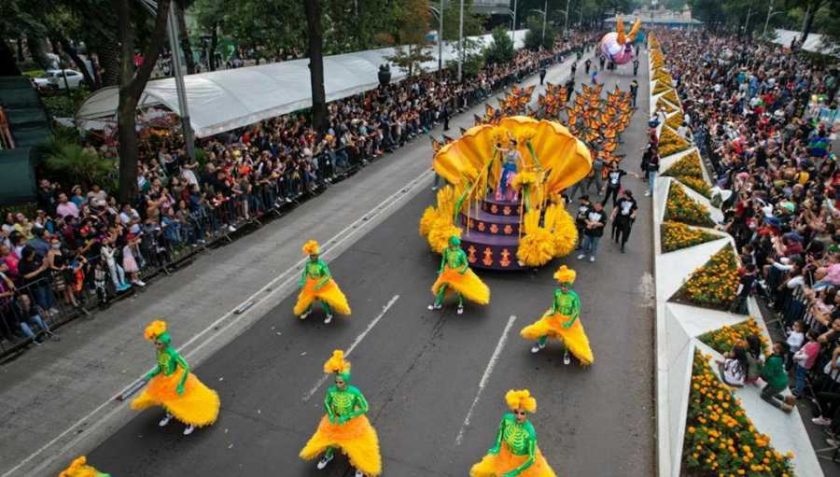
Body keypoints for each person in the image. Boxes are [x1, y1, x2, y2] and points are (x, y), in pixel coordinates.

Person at [300, 350, 381, 477]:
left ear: (346, 382)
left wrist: (348, 416)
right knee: (330, 440)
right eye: (336, 382)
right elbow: (327, 403)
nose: (338, 384)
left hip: (353, 423)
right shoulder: (331, 391)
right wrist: (332, 415)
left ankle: (360, 466)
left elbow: (365, 407)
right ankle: (328, 455)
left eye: (341, 382)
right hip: (335, 421)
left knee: (357, 445)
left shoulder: (354, 392)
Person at [131, 320, 221, 435]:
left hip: (176, 380)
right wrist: (152, 374)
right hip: (164, 380)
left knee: (184, 401)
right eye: (155, 343)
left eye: (158, 344)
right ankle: (171, 413)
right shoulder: (159, 352)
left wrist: (181, 384)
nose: (156, 345)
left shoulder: (173, 354)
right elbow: (161, 367)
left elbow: (186, 367)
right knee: (168, 400)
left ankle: (190, 422)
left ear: (166, 343)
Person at [470, 390, 556, 477]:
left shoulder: (530, 431)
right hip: (504, 453)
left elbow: (532, 458)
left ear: (526, 414)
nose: (518, 416)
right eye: (516, 412)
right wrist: (497, 446)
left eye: (522, 413)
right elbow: (501, 432)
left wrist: (515, 472)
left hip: (522, 462)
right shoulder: (507, 419)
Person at [521, 266, 593, 366]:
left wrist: (569, 322)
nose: (564, 288)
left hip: (568, 319)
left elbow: (576, 312)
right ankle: (541, 344)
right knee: (544, 326)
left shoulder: (574, 297)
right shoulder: (557, 293)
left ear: (570, 285)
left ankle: (566, 353)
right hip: (556, 316)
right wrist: (552, 312)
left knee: (567, 338)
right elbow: (555, 304)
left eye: (566, 286)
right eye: (562, 285)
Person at [293, 240, 351, 323]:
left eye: (314, 255)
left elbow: (328, 275)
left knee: (324, 301)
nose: (313, 257)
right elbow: (305, 273)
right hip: (310, 284)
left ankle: (329, 314)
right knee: (307, 299)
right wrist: (302, 281)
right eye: (311, 255)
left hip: (322, 285)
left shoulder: (321, 264)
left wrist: (319, 284)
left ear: (317, 256)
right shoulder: (308, 264)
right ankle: (308, 311)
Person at [429, 236, 490, 314]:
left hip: (459, 274)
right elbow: (444, 260)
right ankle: (437, 304)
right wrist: (441, 268)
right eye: (453, 245)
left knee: (460, 291)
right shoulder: (447, 251)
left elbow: (465, 264)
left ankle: (460, 305)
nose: (455, 247)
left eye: (456, 245)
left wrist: (462, 271)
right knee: (442, 289)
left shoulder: (461, 253)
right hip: (448, 273)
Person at [759, 341, 795, 412]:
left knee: (764, 396)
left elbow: (766, 375)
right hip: (781, 380)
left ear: (778, 350)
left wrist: (760, 366)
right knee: (765, 390)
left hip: (777, 384)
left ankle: (784, 407)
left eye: (775, 345)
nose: (773, 345)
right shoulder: (780, 357)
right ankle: (787, 399)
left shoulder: (773, 360)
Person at [792, 329, 821, 397]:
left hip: (804, 364)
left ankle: (798, 391)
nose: (806, 334)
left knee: (800, 377)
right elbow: (803, 349)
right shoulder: (812, 343)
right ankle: (797, 388)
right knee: (799, 376)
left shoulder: (813, 346)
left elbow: (805, 356)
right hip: (802, 362)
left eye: (808, 333)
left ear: (811, 337)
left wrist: (796, 356)